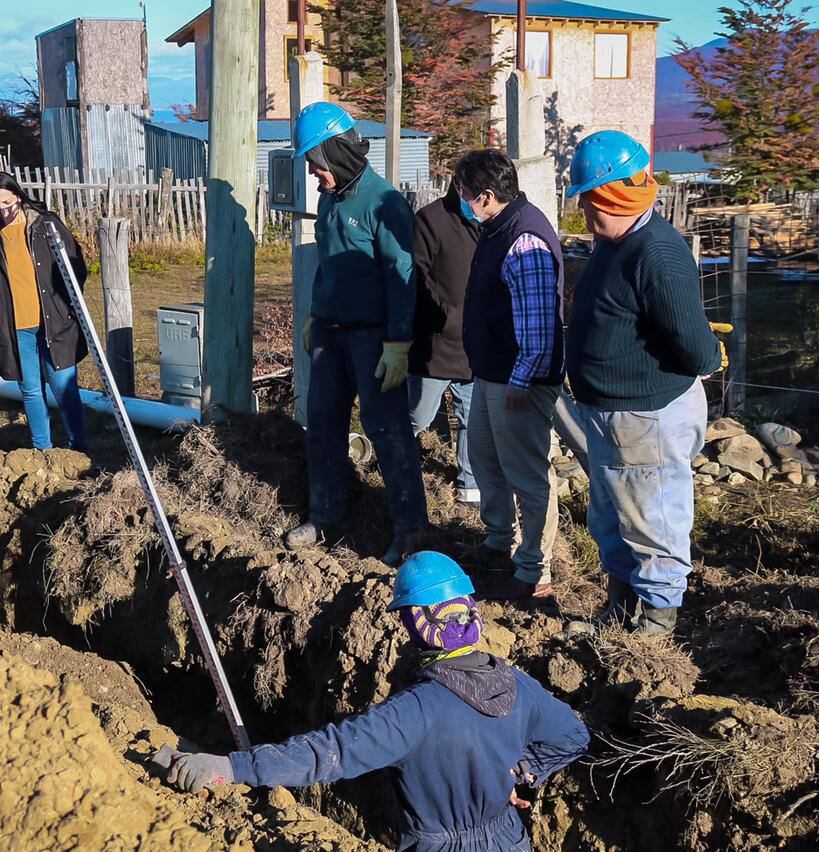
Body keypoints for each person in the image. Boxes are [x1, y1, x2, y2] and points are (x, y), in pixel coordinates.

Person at [163, 551, 590, 852]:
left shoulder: (415, 712)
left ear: (416, 623)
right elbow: (574, 735)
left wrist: (232, 767)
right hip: (509, 839)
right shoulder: (518, 685)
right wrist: (525, 774)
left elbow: (328, 753)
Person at [564, 131, 721, 636]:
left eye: (588, 201)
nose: (584, 213)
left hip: (646, 417)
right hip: (615, 416)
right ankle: (621, 613)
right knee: (613, 519)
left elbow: (698, 351)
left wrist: (709, 354)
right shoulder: (617, 242)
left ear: (611, 196)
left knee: (651, 521)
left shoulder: (657, 255)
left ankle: (655, 629)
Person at [283, 102, 428, 566]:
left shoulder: (382, 202)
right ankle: (325, 515)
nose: (313, 175)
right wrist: (313, 313)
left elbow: (402, 273)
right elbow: (328, 265)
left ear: (337, 151)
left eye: (316, 163)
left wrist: (399, 343)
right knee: (322, 423)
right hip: (330, 333)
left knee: (386, 429)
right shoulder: (330, 200)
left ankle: (409, 529)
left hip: (373, 338)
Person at [455, 149, 565, 602]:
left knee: (528, 475)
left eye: (463, 192)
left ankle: (534, 570)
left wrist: (522, 383)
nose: (458, 199)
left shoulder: (525, 239)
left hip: (519, 381)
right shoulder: (497, 227)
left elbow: (538, 328)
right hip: (493, 374)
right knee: (485, 461)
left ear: (485, 196)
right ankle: (500, 541)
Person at [0, 172, 90, 453]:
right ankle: (41, 450)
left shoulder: (45, 225)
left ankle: (79, 449)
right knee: (32, 391)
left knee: (64, 388)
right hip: (15, 327)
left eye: (6, 203)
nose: (1, 211)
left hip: (53, 323)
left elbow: (75, 265)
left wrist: (67, 305)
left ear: (19, 198)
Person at [408, 181, 481, 506]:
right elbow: (417, 276)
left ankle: (470, 485)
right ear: (459, 185)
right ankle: (392, 461)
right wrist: (448, 318)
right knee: (419, 415)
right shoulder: (431, 219)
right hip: (436, 344)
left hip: (475, 344)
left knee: (472, 417)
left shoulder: (489, 220)